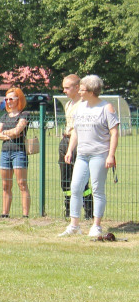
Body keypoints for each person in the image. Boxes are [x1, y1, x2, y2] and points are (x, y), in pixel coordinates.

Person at [60, 75, 119, 238]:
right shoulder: (80, 108)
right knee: (75, 188)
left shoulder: (107, 108)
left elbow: (114, 133)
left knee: (97, 189)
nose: (79, 91)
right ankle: (74, 225)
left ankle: (96, 226)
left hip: (99, 155)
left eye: (82, 89)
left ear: (92, 91)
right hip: (82, 155)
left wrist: (111, 155)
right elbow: (76, 132)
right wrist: (70, 150)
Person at [58, 74, 93, 220]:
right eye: (63, 88)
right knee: (65, 179)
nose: (64, 91)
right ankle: (68, 209)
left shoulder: (84, 105)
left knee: (80, 180)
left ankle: (89, 211)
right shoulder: (68, 104)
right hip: (65, 141)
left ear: (77, 87)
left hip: (79, 143)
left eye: (67, 88)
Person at [0, 87, 31, 218]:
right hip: (5, 152)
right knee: (5, 185)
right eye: (6, 99)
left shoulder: (24, 115)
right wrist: (8, 134)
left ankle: (25, 215)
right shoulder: (4, 116)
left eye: (11, 99)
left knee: (22, 183)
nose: (8, 101)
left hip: (19, 152)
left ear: (18, 99)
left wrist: (4, 133)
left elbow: (17, 131)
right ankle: (5, 214)